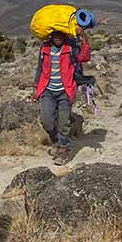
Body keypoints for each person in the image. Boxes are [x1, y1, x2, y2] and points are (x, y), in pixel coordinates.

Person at [32, 28, 91, 165]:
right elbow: (40, 68)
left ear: (65, 35)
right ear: (51, 35)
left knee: (64, 122)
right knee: (47, 121)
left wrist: (83, 36)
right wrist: (36, 87)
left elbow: (85, 57)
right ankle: (57, 142)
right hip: (47, 90)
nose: (58, 37)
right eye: (55, 34)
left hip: (66, 90)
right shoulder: (45, 48)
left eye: (60, 34)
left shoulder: (71, 48)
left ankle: (64, 149)